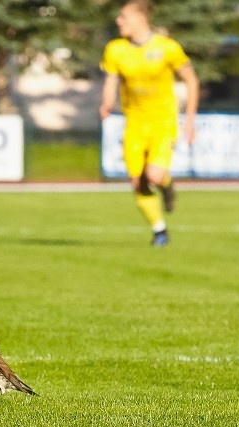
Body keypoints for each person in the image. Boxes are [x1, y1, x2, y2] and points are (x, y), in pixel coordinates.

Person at [99, 0, 199, 247]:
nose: (118, 21)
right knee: (138, 182)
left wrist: (189, 120)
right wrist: (107, 103)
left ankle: (166, 185)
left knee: (154, 174)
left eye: (123, 17)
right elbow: (112, 80)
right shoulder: (115, 49)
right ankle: (159, 230)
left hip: (162, 121)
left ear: (140, 19)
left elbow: (192, 81)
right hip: (134, 122)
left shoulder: (168, 48)